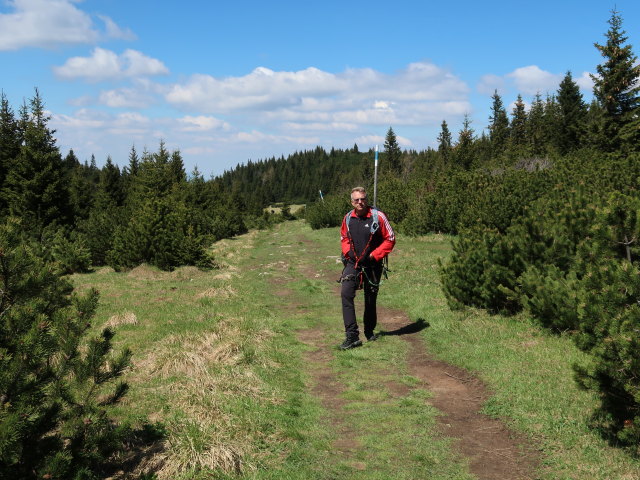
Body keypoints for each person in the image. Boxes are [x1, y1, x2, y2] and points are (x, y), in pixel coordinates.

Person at [338, 187, 395, 350]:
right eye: (356, 200)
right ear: (352, 202)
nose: (360, 202)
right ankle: (352, 336)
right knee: (346, 293)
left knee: (370, 299)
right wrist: (348, 251)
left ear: (366, 200)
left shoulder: (379, 216)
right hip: (352, 263)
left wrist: (374, 255)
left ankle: (369, 331)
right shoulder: (348, 218)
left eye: (362, 199)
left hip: (373, 264)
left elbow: (390, 239)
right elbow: (344, 237)